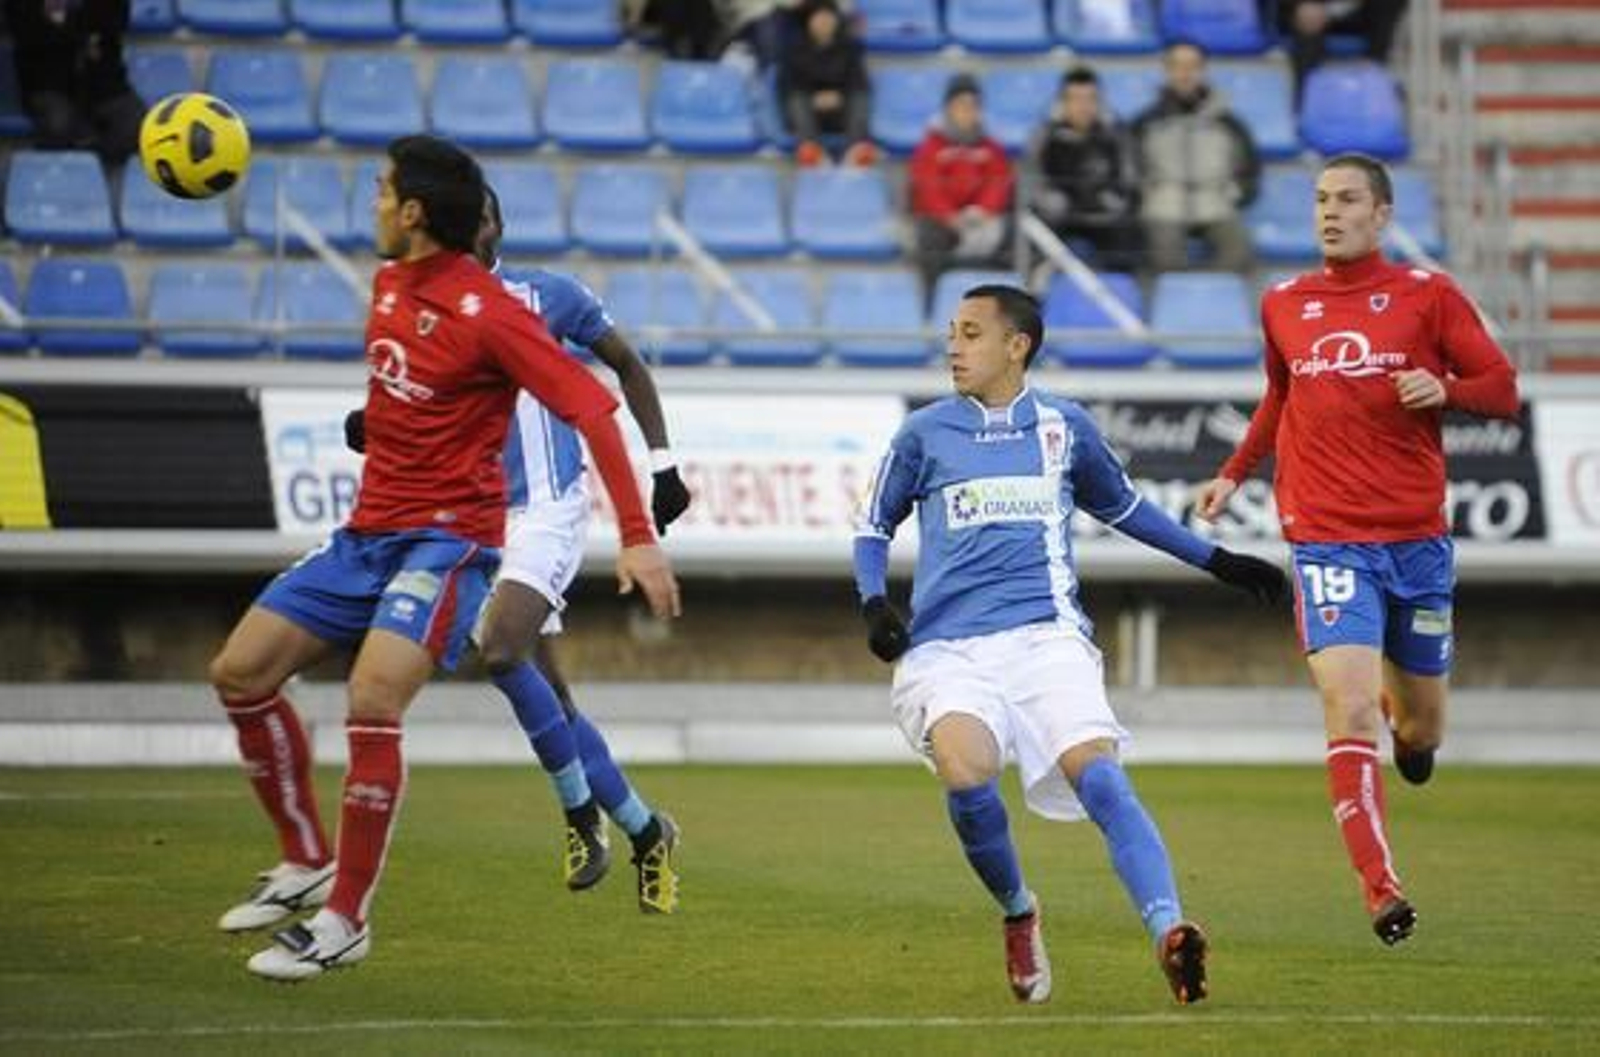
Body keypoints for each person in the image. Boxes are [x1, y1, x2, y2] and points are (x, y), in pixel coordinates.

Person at [208, 135, 681, 982]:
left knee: (424, 677)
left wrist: (643, 525)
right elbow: (409, 388)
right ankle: (309, 855)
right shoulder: (390, 284)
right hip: (368, 535)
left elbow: (597, 401)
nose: (375, 202)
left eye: (384, 190)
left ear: (423, 213)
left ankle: (350, 915)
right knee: (239, 672)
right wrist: (377, 422)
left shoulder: (515, 307)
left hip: (473, 532)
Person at [852, 283, 1288, 1004]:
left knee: (1102, 774)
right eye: (951, 333)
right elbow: (872, 527)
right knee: (967, 775)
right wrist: (873, 602)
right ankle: (1020, 909)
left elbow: (1126, 509)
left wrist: (1219, 561)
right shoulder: (924, 433)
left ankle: (1169, 930)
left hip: (1046, 638)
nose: (952, 347)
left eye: (970, 333)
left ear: (1016, 345)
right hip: (949, 649)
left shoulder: (1063, 425)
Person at [1195, 153, 1520, 946]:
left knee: (1424, 730)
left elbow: (1503, 389)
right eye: (1319, 200)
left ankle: (1406, 725)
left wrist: (1447, 390)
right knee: (1345, 706)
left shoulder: (1428, 295)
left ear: (1382, 213)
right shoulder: (1284, 304)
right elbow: (1282, 395)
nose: (1329, 213)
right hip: (1326, 538)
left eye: (1346, 200)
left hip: (1416, 542)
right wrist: (1234, 472)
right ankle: (1382, 888)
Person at [345, 183, 692, 912]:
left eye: (485, 218)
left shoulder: (548, 295)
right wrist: (371, 423)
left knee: (502, 650)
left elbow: (626, 363)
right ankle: (646, 829)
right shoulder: (423, 311)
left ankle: (578, 819)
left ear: (498, 225)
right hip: (474, 513)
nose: (475, 232)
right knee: (552, 697)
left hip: (547, 511)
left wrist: (661, 463)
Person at [1130, 41, 1259, 275]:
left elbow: (1249, 168)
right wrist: (1144, 194)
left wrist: (1238, 194)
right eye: (1178, 66)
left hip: (1216, 201)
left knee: (1240, 252)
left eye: (1192, 66)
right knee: (1163, 259)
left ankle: (1211, 305)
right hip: (1164, 203)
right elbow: (1131, 166)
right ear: (1167, 71)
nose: (1185, 73)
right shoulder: (1145, 122)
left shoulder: (1229, 123)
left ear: (1203, 70)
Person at [909, 73, 1014, 303]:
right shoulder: (930, 147)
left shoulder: (991, 147)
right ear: (948, 108)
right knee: (929, 237)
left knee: (1012, 234)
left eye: (973, 106)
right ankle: (933, 304)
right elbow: (928, 190)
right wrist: (951, 218)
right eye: (961, 105)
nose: (967, 112)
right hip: (944, 224)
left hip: (981, 221)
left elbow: (999, 183)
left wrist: (982, 212)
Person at [4, 0, 146, 166]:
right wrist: (79, 24)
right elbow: (26, 29)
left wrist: (66, 22)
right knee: (60, 126)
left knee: (139, 126)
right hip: (48, 84)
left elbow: (114, 21)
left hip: (106, 83)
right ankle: (71, 179)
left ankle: (97, 173)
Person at [1028, 66, 1141, 273]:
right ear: (1063, 102)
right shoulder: (1046, 135)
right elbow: (1034, 180)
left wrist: (1110, 203)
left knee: (1127, 237)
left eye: (1090, 99)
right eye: (1076, 98)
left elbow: (1129, 179)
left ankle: (1120, 295)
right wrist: (1055, 204)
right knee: (1038, 234)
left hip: (1104, 216)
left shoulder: (1115, 135)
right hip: (1059, 217)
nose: (1083, 106)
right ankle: (1039, 294)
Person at [778, 0, 875, 168]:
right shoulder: (794, 49)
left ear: (836, 20)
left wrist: (839, 96)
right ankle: (812, 151)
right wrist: (814, 97)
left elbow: (858, 80)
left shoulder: (850, 47)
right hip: (808, 112)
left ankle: (856, 150)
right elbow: (788, 84)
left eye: (828, 17)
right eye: (818, 17)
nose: (824, 22)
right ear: (809, 21)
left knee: (860, 95)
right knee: (795, 99)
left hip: (841, 111)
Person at [1276, 1, 1410, 100]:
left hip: (1350, 9)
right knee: (1308, 22)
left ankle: (1374, 77)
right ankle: (1308, 104)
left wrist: (1331, 10)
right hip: (1303, 9)